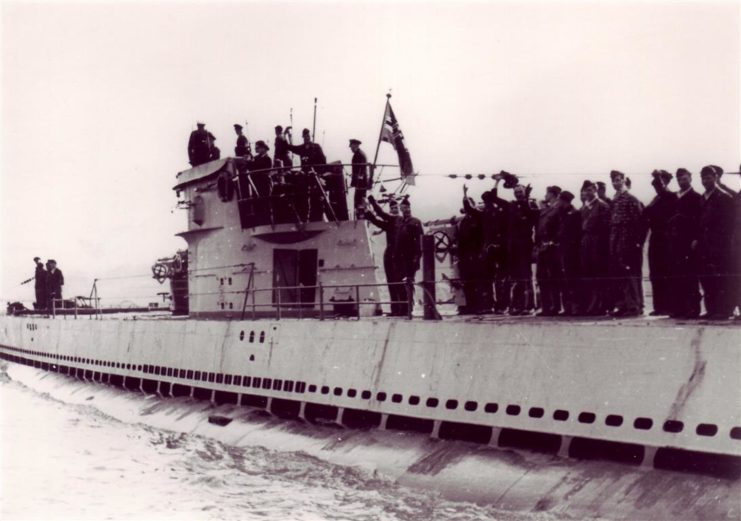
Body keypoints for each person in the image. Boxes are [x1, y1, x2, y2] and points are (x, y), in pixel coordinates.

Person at [462, 180, 509, 313]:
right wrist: (465, 195)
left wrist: (465, 195)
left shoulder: (488, 213)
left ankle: (497, 305)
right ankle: (495, 305)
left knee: (493, 278)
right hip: (491, 249)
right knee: (491, 278)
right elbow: (469, 209)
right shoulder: (489, 213)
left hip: (496, 248)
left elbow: (470, 209)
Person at [696, 165, 735, 319]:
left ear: (716, 178)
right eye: (703, 178)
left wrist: (722, 244)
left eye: (709, 177)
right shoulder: (702, 198)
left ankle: (724, 310)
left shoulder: (724, 197)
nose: (706, 181)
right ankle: (711, 309)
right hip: (704, 245)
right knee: (707, 278)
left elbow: (728, 224)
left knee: (721, 278)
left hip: (719, 245)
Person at [608, 170, 647, 317]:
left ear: (624, 180)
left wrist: (637, 243)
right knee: (619, 274)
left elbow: (640, 223)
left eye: (618, 180)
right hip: (616, 241)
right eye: (613, 181)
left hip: (628, 242)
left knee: (631, 274)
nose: (616, 183)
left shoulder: (631, 199)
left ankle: (635, 306)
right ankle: (623, 305)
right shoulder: (615, 200)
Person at [667, 168, 702, 318]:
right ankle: (679, 308)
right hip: (675, 241)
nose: (682, 182)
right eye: (679, 179)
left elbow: (700, 221)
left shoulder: (696, 197)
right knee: (676, 274)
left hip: (689, 242)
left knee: (690, 276)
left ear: (690, 178)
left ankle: (693, 309)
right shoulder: (674, 197)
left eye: (684, 179)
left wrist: (696, 238)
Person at [644, 170, 678, 315]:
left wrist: (658, 176)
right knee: (656, 273)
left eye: (659, 184)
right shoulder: (656, 198)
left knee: (665, 272)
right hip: (656, 237)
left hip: (666, 238)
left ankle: (668, 306)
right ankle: (660, 306)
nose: (657, 187)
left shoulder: (671, 196)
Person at [366, 195, 404, 316]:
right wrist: (369, 215)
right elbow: (378, 222)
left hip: (396, 254)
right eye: (392, 208)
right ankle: (398, 309)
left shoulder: (396, 220)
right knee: (393, 283)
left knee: (396, 283)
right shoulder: (393, 223)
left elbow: (381, 214)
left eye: (395, 208)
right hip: (391, 254)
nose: (394, 210)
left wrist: (372, 201)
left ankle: (400, 309)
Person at [579, 180, 611, 315]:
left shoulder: (603, 206)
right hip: (587, 242)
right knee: (588, 273)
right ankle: (591, 304)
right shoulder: (584, 208)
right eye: (586, 190)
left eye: (591, 190)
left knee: (599, 274)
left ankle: (601, 305)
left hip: (598, 243)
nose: (588, 193)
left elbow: (606, 227)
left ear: (596, 191)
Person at [506, 184, 539, 315]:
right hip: (513, 245)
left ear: (524, 192)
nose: (518, 194)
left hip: (525, 244)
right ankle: (517, 305)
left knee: (526, 275)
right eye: (516, 192)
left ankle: (529, 305)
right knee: (516, 276)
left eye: (520, 192)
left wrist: (526, 200)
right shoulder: (512, 206)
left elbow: (533, 219)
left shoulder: (530, 204)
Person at [534, 186, 564, 316]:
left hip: (552, 247)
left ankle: (555, 306)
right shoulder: (546, 209)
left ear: (552, 194)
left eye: (547, 193)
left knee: (553, 277)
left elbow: (561, 228)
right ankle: (546, 307)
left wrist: (553, 241)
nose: (545, 196)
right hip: (542, 247)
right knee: (541, 277)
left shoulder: (558, 209)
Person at [394, 197, 423, 316]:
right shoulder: (401, 222)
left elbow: (420, 241)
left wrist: (417, 257)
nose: (406, 210)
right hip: (400, 258)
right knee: (401, 283)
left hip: (410, 257)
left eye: (407, 208)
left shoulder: (415, 222)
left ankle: (409, 308)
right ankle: (404, 306)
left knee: (409, 282)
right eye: (403, 208)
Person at [557, 191, 581, 315]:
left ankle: (575, 307)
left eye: (560, 200)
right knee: (565, 279)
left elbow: (576, 234)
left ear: (564, 200)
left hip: (572, 251)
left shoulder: (574, 213)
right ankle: (567, 307)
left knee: (572, 279)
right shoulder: (562, 212)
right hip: (563, 249)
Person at [246, 140, 273, 223]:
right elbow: (250, 166)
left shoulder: (268, 159)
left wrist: (251, 162)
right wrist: (248, 161)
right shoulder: (256, 158)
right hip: (257, 183)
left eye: (257, 148)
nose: (256, 150)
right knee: (258, 203)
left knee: (266, 203)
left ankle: (269, 222)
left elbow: (262, 168)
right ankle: (260, 222)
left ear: (263, 148)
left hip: (265, 183)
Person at [349, 139, 369, 216]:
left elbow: (362, 169)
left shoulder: (360, 154)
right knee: (359, 200)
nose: (351, 149)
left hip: (361, 183)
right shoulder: (358, 154)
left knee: (359, 201)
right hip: (360, 182)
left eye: (351, 147)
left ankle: (361, 217)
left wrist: (357, 180)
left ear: (355, 145)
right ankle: (360, 216)